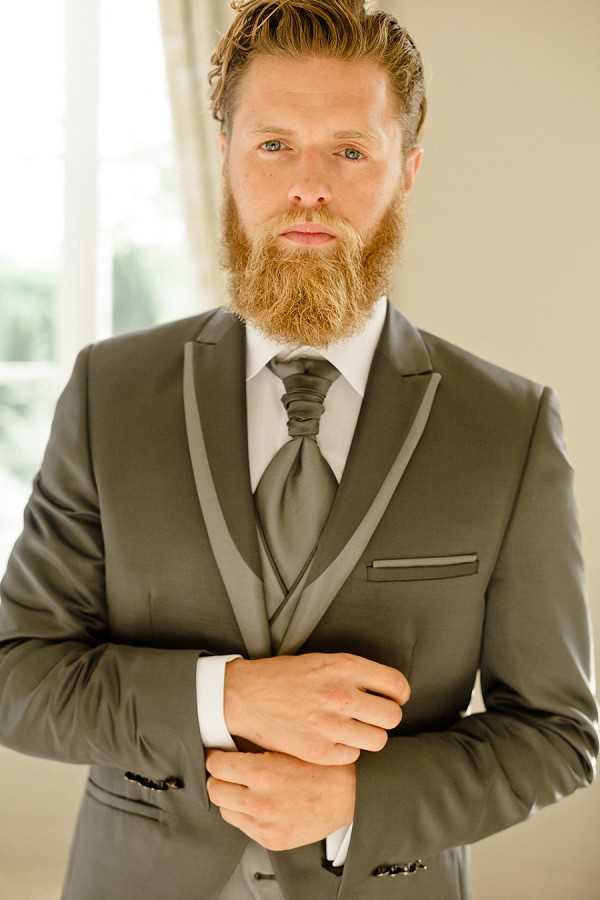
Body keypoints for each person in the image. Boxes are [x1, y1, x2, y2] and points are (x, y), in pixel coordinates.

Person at [0, 2, 597, 899]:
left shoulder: (509, 426)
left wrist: (359, 800)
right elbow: (17, 675)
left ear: (407, 171)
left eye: (350, 151)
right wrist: (225, 697)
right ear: (227, 158)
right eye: (275, 145)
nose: (308, 187)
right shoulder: (107, 393)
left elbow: (556, 733)